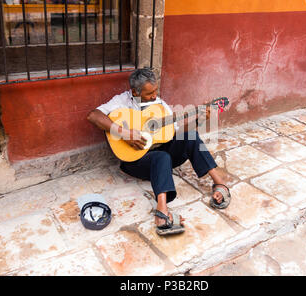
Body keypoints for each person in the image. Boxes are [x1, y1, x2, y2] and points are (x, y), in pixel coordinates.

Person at [87, 68, 231, 236]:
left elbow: (177, 134)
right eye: (149, 93)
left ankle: (219, 182)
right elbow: (93, 116)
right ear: (135, 91)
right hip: (134, 162)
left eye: (155, 90)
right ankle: (161, 213)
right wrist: (124, 133)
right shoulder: (121, 101)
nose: (154, 96)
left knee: (190, 137)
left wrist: (198, 120)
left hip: (161, 158)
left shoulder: (160, 106)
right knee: (161, 157)